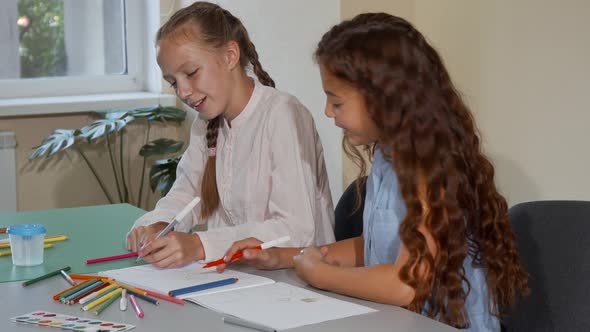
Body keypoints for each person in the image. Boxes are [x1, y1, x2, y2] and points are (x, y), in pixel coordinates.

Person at [218, 13, 529, 331]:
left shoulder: (431, 168)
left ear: (384, 100)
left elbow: (404, 284)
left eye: (336, 103)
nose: (327, 112)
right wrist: (284, 257)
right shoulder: (387, 154)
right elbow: (377, 246)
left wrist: (321, 274)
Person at [126, 2, 335, 269]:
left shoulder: (283, 115)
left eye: (191, 73)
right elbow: (186, 196)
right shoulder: (205, 124)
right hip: (235, 281)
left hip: (299, 284)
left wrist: (202, 245)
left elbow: (295, 230)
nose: (183, 92)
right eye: (173, 82)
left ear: (229, 56)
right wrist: (157, 224)